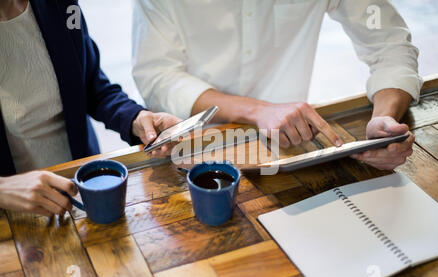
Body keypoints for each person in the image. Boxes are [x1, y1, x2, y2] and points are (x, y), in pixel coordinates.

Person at [132, 0, 420, 171]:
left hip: (293, 148)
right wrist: (257, 110)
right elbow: (157, 74)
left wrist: (385, 118)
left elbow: (389, 43)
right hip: (194, 150)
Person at [0, 0, 181, 217]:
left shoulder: (62, 5)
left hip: (84, 188)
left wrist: (136, 118)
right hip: (10, 217)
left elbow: (92, 85)